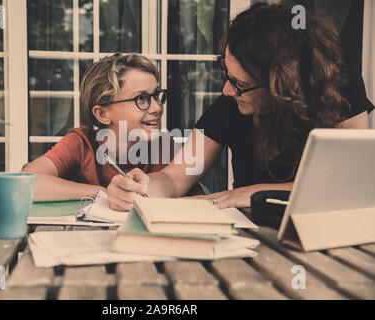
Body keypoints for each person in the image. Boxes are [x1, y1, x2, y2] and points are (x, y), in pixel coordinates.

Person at [106, 3, 373, 211]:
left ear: (283, 86)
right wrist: (140, 189)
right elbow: (175, 178)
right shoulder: (230, 105)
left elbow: (350, 183)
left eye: (240, 83)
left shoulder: (340, 90)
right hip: (249, 241)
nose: (226, 90)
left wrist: (254, 192)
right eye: (226, 74)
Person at [22, 53, 174, 201]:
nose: (157, 107)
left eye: (156, 95)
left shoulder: (165, 146)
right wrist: (105, 193)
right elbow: (26, 183)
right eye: (141, 98)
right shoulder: (82, 144)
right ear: (102, 114)